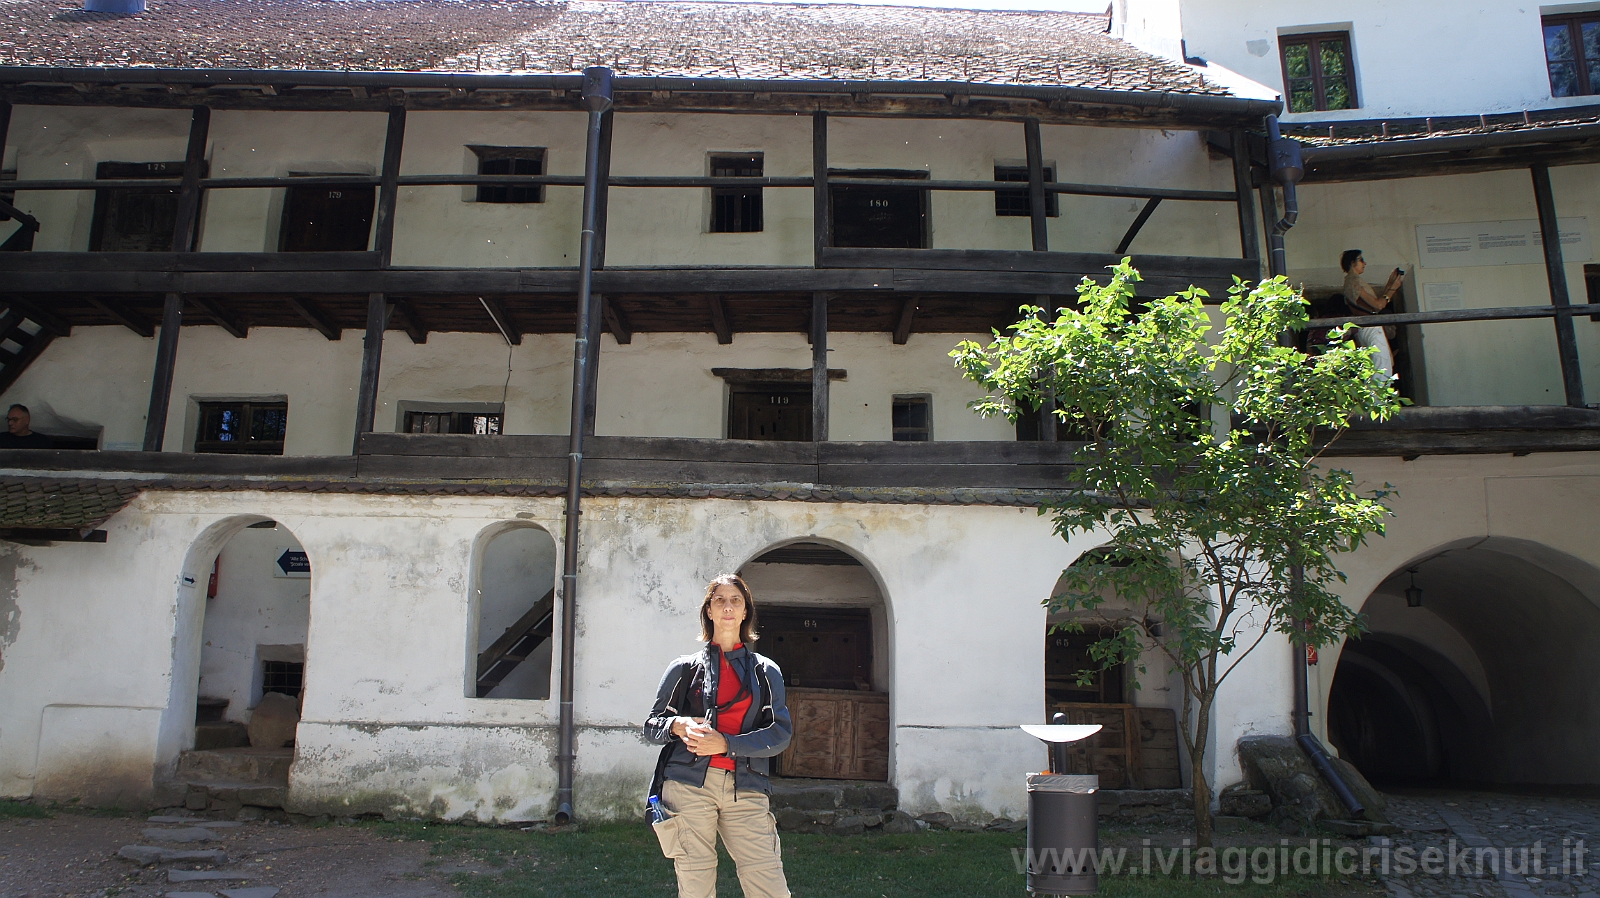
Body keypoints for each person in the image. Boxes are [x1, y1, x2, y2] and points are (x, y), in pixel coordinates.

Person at [644, 574, 792, 898]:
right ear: (708, 611)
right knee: (696, 887)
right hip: (687, 786)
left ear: (745, 612)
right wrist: (677, 725)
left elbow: (781, 733)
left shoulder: (766, 671)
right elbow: (652, 726)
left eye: (735, 600)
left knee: (770, 886)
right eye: (719, 600)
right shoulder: (683, 668)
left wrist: (727, 744)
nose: (728, 606)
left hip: (747, 786)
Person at [1339, 249, 1405, 380]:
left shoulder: (1350, 281)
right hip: (1371, 326)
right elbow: (1378, 305)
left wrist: (1390, 284)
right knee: (1382, 368)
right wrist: (1392, 289)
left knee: (1375, 367)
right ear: (1353, 263)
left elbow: (1375, 304)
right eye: (1361, 260)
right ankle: (1378, 400)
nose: (1365, 263)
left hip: (1364, 328)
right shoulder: (1354, 281)